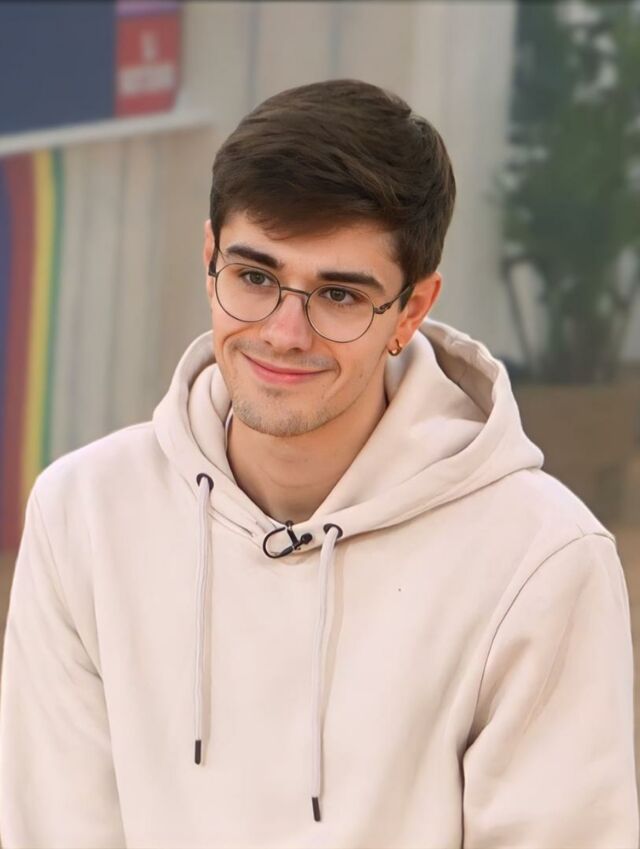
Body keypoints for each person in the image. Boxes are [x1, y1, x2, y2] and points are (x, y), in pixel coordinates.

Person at [0, 78, 637, 849]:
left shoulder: (543, 560)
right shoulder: (83, 514)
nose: (284, 333)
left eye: (338, 295)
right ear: (210, 259)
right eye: (255, 277)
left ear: (412, 309)